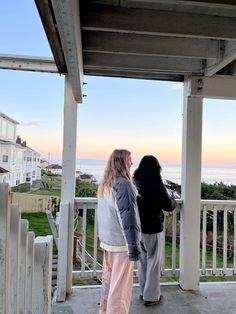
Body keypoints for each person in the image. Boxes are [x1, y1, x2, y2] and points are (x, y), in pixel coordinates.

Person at [97, 149, 141, 314]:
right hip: (121, 245)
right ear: (122, 163)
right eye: (130, 160)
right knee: (120, 289)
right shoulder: (123, 184)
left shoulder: (106, 184)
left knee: (109, 284)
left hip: (109, 242)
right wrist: (134, 247)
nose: (131, 163)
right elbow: (128, 218)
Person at [133, 155, 176, 307]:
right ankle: (151, 297)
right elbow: (168, 205)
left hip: (138, 229)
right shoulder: (156, 184)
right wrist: (174, 201)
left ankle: (143, 292)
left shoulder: (135, 182)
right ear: (156, 168)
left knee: (143, 261)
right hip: (153, 228)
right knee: (153, 262)